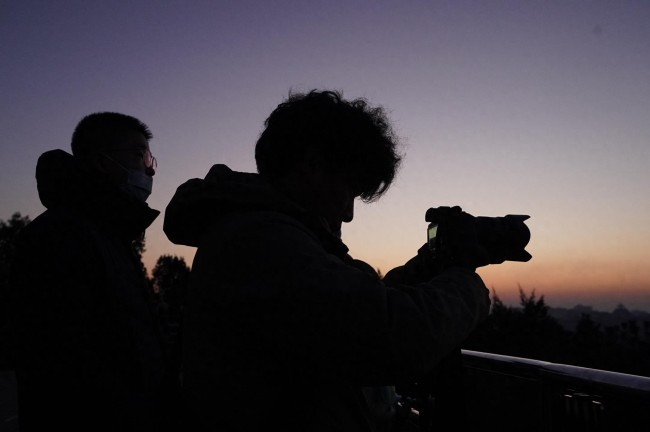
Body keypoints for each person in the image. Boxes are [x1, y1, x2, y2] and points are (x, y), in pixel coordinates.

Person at [163, 90, 491, 432]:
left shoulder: (262, 234)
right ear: (313, 165)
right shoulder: (260, 240)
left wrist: (428, 267)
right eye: (349, 189)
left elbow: (350, 303)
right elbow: (390, 336)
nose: (348, 214)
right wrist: (466, 279)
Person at [6, 112, 181, 432]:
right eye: (140, 154)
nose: (150, 167)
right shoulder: (61, 236)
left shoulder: (107, 236)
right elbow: (64, 365)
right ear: (103, 162)